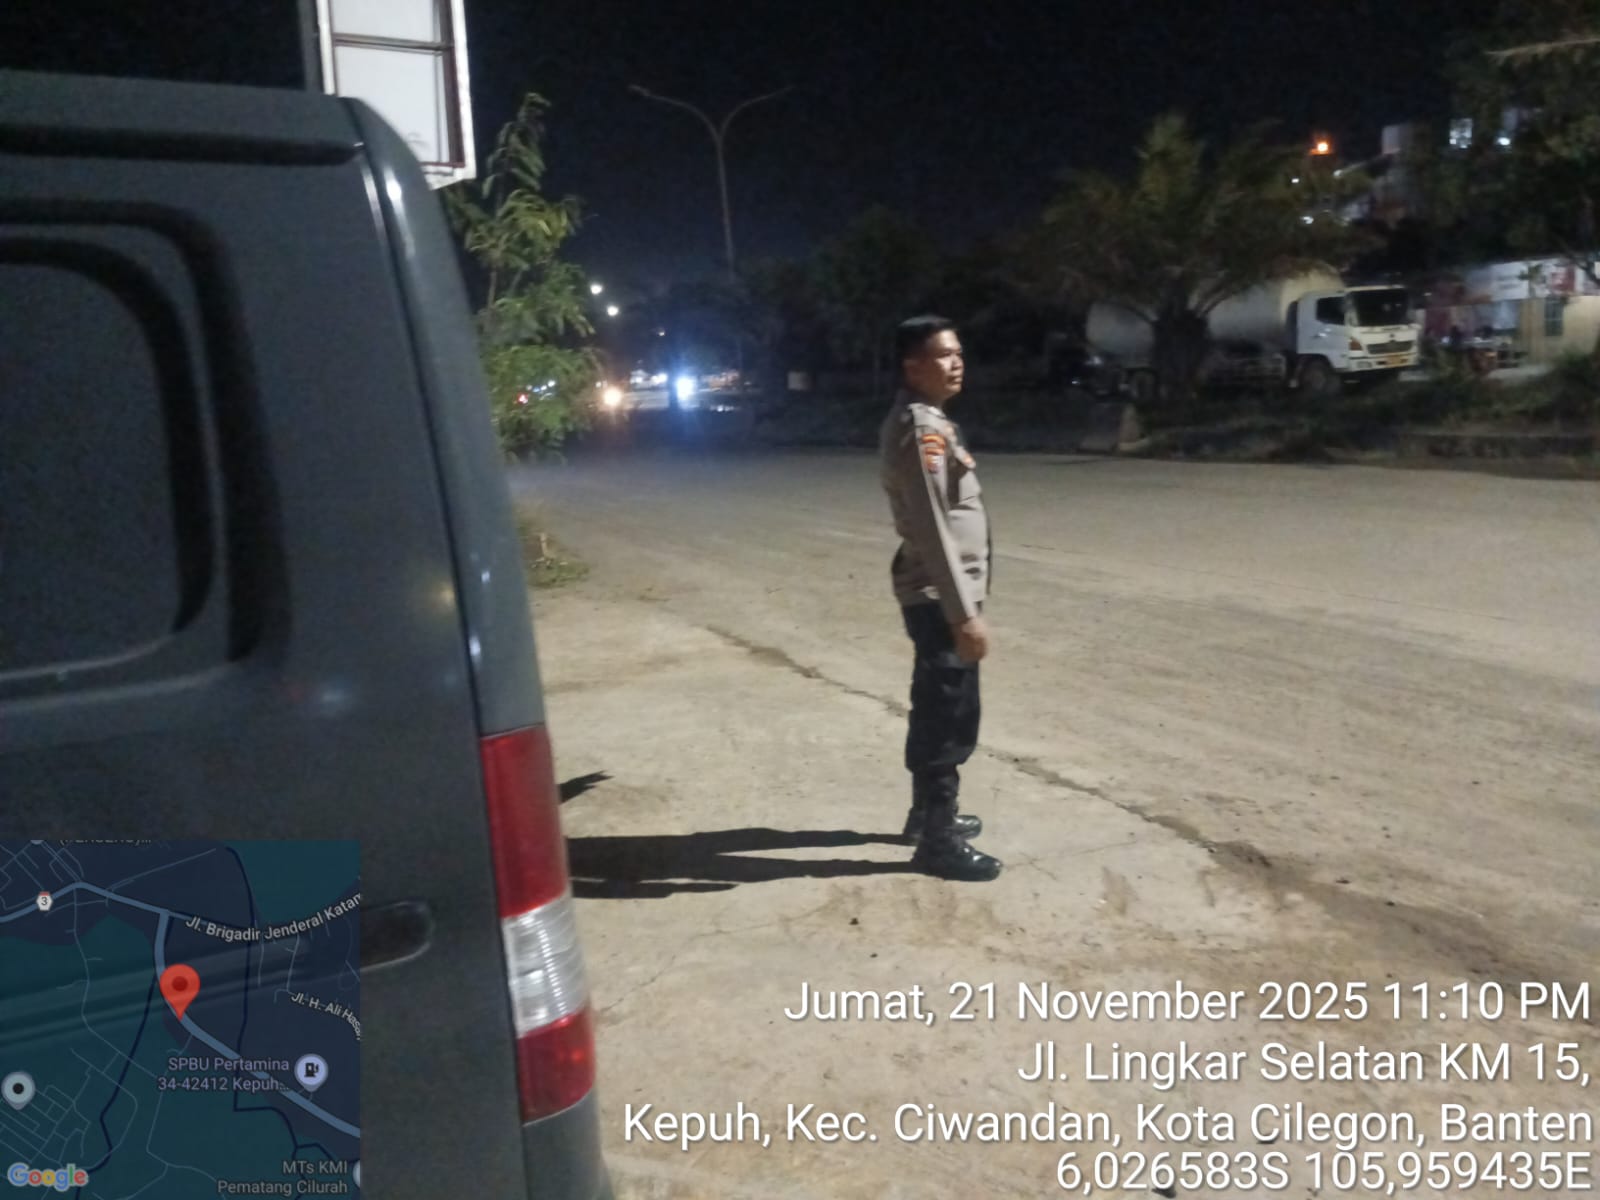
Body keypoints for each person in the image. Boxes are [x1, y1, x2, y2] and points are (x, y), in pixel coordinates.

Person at [878, 315, 1002, 882]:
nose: (956, 364)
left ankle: (926, 815)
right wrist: (963, 614)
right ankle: (937, 840)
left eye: (959, 354)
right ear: (913, 366)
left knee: (938, 706)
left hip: (938, 593)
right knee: (947, 716)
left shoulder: (929, 420)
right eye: (943, 356)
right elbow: (932, 527)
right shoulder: (920, 429)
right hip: (938, 596)